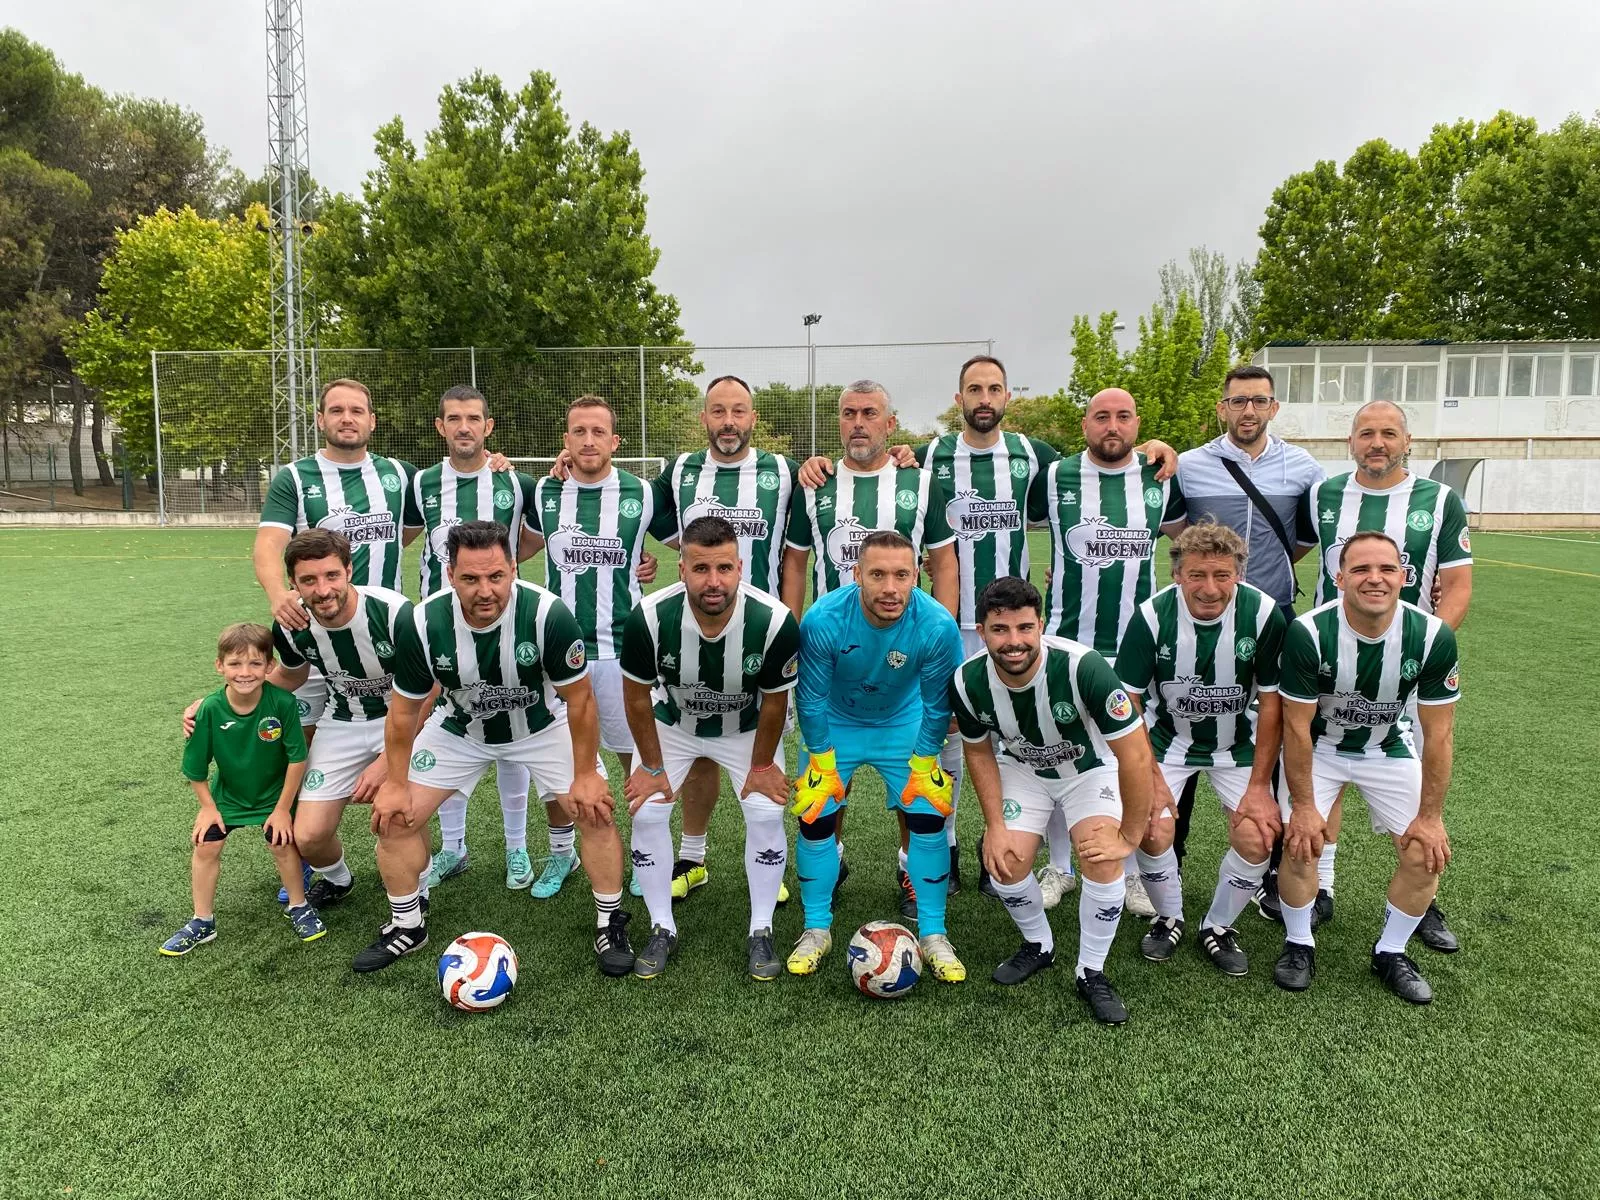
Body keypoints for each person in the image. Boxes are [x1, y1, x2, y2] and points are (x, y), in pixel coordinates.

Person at [360, 520, 634, 976]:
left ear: (513, 568)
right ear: (450, 576)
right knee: (394, 817)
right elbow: (405, 711)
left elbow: (581, 700)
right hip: (460, 728)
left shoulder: (548, 614)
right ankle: (408, 924)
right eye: (470, 578)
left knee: (595, 810)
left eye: (495, 577)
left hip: (543, 726)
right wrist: (394, 779)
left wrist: (586, 774)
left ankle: (610, 921)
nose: (484, 590)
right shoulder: (424, 621)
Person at [1296, 399, 1473, 952]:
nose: (1378, 443)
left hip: (1407, 666)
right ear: (1350, 442)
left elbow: (1459, 585)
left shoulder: (1440, 499)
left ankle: (1421, 905)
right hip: (1332, 657)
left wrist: (1418, 651)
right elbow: (1294, 552)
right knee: (1327, 761)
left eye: (1389, 433)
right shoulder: (1324, 494)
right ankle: (1320, 886)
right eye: (1367, 433)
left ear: (1407, 441)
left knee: (1417, 773)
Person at [781, 379, 958, 918]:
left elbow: (944, 561)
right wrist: (792, 642)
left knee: (912, 775)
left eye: (870, 413)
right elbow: (795, 563)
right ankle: (830, 861)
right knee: (829, 778)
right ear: (839, 423)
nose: (858, 423)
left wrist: (940, 633)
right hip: (833, 657)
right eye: (849, 414)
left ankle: (911, 868)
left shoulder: (920, 481)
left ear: (890, 422)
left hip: (904, 656)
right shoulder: (812, 483)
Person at [950, 578, 1154, 1026]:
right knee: (1003, 860)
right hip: (1025, 770)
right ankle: (1039, 944)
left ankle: (1091, 971)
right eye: (1000, 630)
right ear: (981, 632)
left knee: (1100, 856)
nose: (1014, 641)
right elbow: (979, 751)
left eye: (1025, 628)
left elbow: (1136, 754)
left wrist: (1130, 837)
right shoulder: (967, 681)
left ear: (1040, 625)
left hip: (1089, 769)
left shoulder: (1085, 667)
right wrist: (995, 825)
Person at [1167, 364, 1323, 932]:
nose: (1248, 411)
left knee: (1272, 730)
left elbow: (1303, 540)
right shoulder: (1189, 463)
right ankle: (1168, 865)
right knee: (1182, 718)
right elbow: (1178, 534)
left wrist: (1260, 585)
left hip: (1272, 614)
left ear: (1274, 408)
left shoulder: (1304, 467)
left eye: (1259, 401)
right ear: (1222, 408)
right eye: (1238, 402)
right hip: (1198, 614)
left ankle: (1269, 878)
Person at [1274, 531, 1460, 1004]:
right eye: (1360, 569)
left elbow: (1438, 734)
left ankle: (1391, 950)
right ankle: (1299, 942)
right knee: (1300, 843)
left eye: (1386, 569)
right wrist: (1303, 805)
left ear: (1403, 576)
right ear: (1339, 578)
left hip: (1386, 747)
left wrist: (1431, 816)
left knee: (1424, 851)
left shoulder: (1433, 634)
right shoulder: (1309, 632)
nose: (1374, 579)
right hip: (1320, 747)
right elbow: (1296, 728)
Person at [1029, 386, 1187, 918]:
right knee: (1060, 751)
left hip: (1138, 647)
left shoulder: (1161, 477)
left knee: (1131, 758)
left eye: (1123, 417)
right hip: (1066, 641)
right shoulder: (1052, 476)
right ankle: (1059, 867)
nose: (1112, 426)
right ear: (1085, 424)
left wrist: (1169, 450)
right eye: (1102, 417)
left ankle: (1140, 871)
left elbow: (1189, 543)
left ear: (1137, 425)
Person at [619, 516, 800, 980]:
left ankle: (761, 929)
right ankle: (662, 925)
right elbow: (637, 696)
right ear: (681, 570)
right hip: (675, 722)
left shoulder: (774, 620)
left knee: (764, 809)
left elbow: (776, 702)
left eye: (724, 568)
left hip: (747, 727)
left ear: (741, 567)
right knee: (648, 808)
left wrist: (761, 765)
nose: (713, 581)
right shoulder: (650, 616)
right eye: (701, 569)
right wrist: (653, 767)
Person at [786, 531, 968, 982]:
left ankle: (933, 934)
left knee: (928, 818)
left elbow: (938, 705)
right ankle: (816, 928)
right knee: (815, 816)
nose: (891, 588)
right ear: (857, 575)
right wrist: (822, 763)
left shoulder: (937, 625)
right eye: (878, 575)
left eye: (902, 575)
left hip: (902, 723)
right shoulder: (824, 618)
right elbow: (808, 700)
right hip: (836, 724)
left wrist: (926, 761)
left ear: (916, 576)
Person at [1114, 522, 1287, 975]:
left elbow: (1272, 705)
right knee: (1153, 830)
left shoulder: (1265, 614)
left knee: (1258, 835)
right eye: (1197, 576)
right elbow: (1129, 703)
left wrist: (1258, 787)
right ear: (1177, 575)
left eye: (1222, 576)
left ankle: (1219, 926)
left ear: (1238, 575)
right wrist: (1150, 780)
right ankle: (1168, 917)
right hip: (1167, 740)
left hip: (1238, 744)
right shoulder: (1152, 616)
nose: (1210, 589)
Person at [524, 394, 677, 898]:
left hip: (620, 650)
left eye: (598, 432)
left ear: (615, 441)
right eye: (578, 432)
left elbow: (685, 541)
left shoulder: (644, 494)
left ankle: (642, 851)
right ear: (565, 441)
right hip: (555, 651)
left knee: (632, 755)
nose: (588, 441)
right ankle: (562, 852)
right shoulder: (543, 493)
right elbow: (514, 541)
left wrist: (647, 566)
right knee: (557, 758)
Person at [403, 384, 547, 893]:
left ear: (488, 427)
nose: (464, 427)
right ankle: (454, 847)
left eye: (474, 418)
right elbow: (398, 536)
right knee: (448, 730)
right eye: (454, 419)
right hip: (441, 629)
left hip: (503, 624)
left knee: (510, 735)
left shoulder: (517, 480)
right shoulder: (419, 483)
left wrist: (497, 575)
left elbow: (535, 537)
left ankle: (516, 849)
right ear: (440, 427)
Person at [258, 530, 420, 912]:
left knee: (400, 813)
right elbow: (292, 676)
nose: (323, 589)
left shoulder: (393, 612)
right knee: (310, 835)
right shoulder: (290, 624)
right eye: (309, 580)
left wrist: (387, 763)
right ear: (294, 583)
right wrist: (222, 701)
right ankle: (338, 879)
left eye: (332, 575)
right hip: (343, 718)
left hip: (403, 719)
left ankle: (419, 891)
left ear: (349, 570)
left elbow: (426, 690)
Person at [257, 378, 416, 736]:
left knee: (399, 735)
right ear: (320, 419)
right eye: (337, 411)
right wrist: (278, 595)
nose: (347, 418)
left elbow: (442, 494)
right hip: (317, 627)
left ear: (371, 421)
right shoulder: (295, 478)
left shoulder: (399, 473)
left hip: (383, 634)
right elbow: (269, 544)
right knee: (306, 738)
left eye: (356, 411)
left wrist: (495, 460)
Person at [160, 623, 318, 955]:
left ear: (270, 666)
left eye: (255, 663)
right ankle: (202, 921)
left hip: (275, 794)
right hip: (229, 796)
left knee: (281, 842)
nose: (245, 672)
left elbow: (296, 758)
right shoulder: (210, 709)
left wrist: (281, 810)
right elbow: (195, 768)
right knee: (206, 845)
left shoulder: (283, 704)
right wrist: (208, 807)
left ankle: (299, 905)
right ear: (220, 666)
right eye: (235, 664)